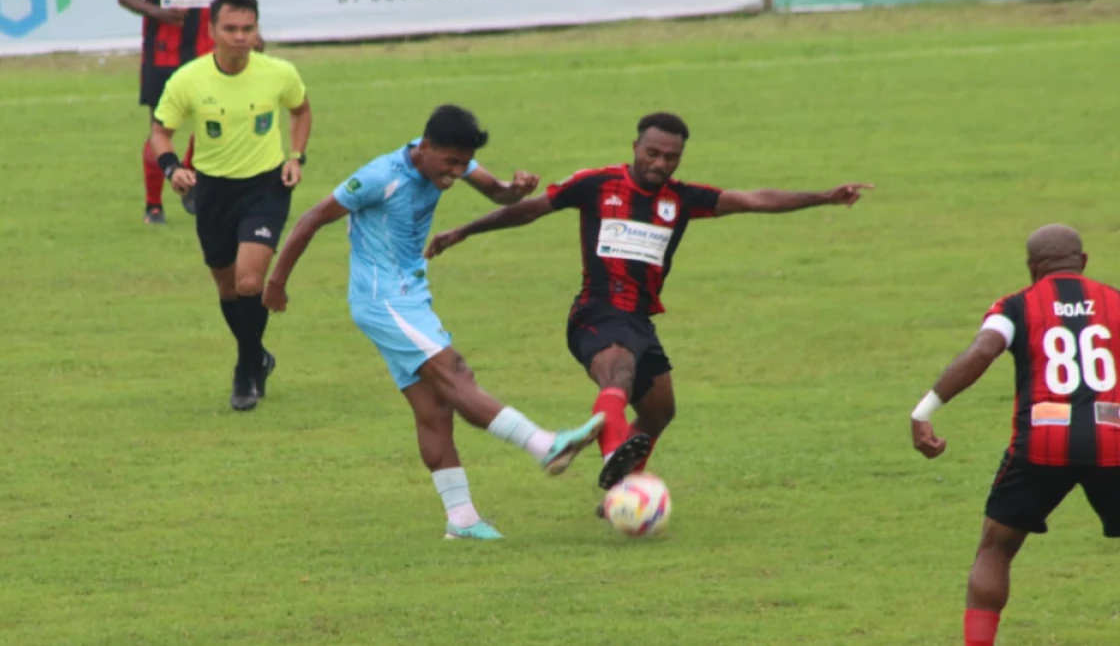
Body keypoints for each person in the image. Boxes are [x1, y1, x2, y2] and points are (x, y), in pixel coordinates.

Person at [425, 112, 871, 511]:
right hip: (595, 313)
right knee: (617, 373)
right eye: (652, 153)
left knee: (659, 412)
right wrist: (464, 230)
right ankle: (621, 481)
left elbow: (754, 199)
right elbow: (530, 210)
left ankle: (619, 459)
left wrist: (824, 197)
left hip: (639, 319)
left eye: (670, 157)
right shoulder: (597, 183)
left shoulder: (683, 199)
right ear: (635, 147)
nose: (659, 164)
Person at [262, 104, 606, 540]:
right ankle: (544, 445)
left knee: (434, 408)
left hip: (410, 297)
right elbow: (312, 218)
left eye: (463, 164)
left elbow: (497, 193)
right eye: (450, 163)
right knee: (455, 372)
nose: (456, 173)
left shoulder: (453, 162)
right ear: (424, 148)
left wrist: (514, 188)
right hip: (382, 301)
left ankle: (461, 520)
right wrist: (277, 282)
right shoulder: (378, 177)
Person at [908, 224, 1120, 646]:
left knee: (996, 549)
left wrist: (924, 410)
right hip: (1113, 440)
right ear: (1082, 261)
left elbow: (982, 351)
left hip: (1040, 446)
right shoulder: (1115, 302)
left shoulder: (1016, 307)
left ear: (1031, 268)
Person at [149, 0, 312, 411]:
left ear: (258, 30)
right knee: (225, 287)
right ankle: (258, 356)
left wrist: (295, 157)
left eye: (248, 29)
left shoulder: (279, 72)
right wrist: (172, 168)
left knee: (248, 283)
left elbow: (301, 110)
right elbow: (160, 131)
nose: (240, 37)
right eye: (231, 29)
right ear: (212, 31)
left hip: (265, 187)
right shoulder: (188, 79)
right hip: (214, 192)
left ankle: (245, 367)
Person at [119, 0, 244, 224]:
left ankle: (190, 177)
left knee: (213, 123)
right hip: (162, 55)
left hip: (207, 54)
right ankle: (153, 206)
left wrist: (244, 32)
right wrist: (156, 12)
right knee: (160, 127)